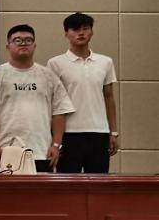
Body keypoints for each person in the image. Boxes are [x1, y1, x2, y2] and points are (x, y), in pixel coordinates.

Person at [0, 24, 75, 173]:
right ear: (8, 46)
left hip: (42, 151)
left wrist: (56, 145)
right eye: (17, 40)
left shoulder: (48, 76)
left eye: (28, 40)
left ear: (34, 45)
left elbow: (59, 111)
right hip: (6, 151)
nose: (23, 43)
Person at [47, 12, 118, 174]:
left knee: (99, 183)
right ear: (66, 33)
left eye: (85, 29)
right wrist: (55, 140)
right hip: (68, 133)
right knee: (67, 184)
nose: (81, 33)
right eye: (75, 29)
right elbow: (52, 102)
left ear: (92, 32)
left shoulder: (105, 62)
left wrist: (113, 132)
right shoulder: (55, 63)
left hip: (99, 132)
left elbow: (109, 97)